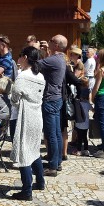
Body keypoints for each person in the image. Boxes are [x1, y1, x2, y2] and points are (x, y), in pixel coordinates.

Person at [10, 46, 46, 201]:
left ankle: (27, 190)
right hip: (37, 115)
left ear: (25, 57)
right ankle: (41, 180)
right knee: (34, 149)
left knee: (24, 151)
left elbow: (15, 95)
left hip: (23, 116)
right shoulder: (41, 76)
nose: (18, 59)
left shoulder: (22, 75)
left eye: (19, 56)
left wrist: (16, 103)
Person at [37, 35, 66, 176]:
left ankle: (53, 167)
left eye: (50, 40)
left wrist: (36, 50)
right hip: (56, 98)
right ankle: (57, 162)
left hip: (49, 99)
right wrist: (46, 52)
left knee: (51, 134)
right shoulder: (60, 58)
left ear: (55, 44)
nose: (48, 42)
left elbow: (36, 65)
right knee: (56, 133)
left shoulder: (54, 60)